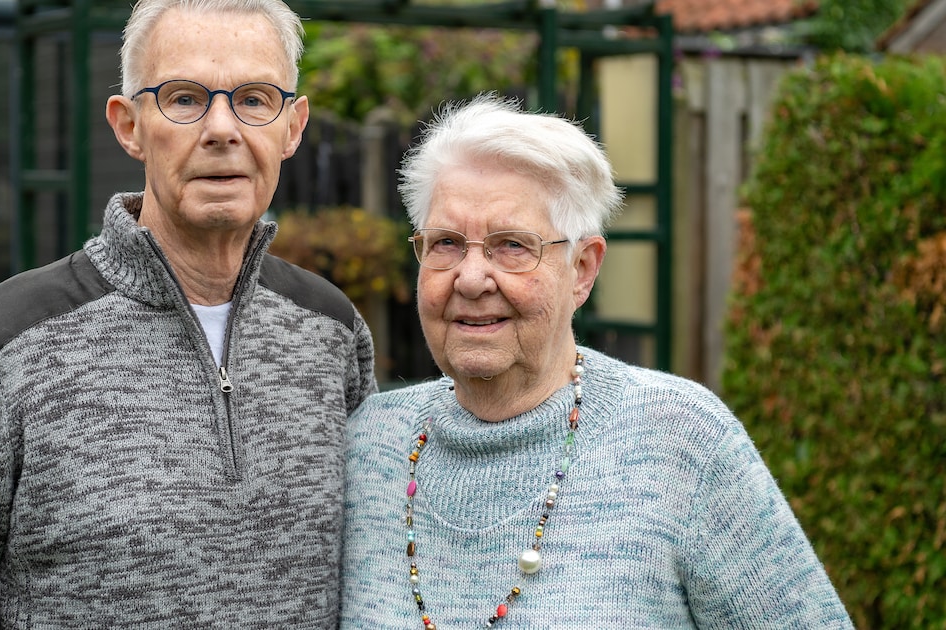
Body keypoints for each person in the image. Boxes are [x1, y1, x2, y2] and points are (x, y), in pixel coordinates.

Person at [0, 0, 377, 626]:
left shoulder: (331, 330)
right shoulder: (2, 342)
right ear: (129, 126)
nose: (223, 128)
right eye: (183, 98)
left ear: (292, 126)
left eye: (254, 99)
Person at [340, 94, 851, 628]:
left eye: (512, 245)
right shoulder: (369, 444)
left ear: (582, 269)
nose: (470, 279)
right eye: (445, 243)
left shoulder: (681, 442)